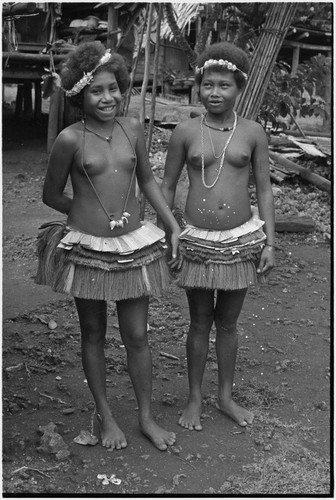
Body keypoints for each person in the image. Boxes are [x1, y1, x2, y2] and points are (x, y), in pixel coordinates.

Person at [36, 41, 181, 451]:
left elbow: (148, 182)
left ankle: (147, 418)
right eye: (96, 90)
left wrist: (170, 225)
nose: (107, 97)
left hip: (133, 247)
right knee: (93, 332)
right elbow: (51, 195)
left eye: (113, 87)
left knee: (137, 334)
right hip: (88, 251)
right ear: (80, 96)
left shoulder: (132, 128)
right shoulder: (69, 140)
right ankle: (104, 416)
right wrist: (84, 213)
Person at [159, 42, 275, 431]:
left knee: (228, 322)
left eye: (224, 85)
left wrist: (270, 242)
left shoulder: (253, 132)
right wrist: (169, 233)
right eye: (208, 84)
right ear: (198, 86)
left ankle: (224, 397)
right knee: (198, 321)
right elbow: (168, 184)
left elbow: (264, 190)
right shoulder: (186, 131)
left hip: (241, 241)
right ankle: (194, 397)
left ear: (238, 87)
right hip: (196, 239)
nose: (214, 93)